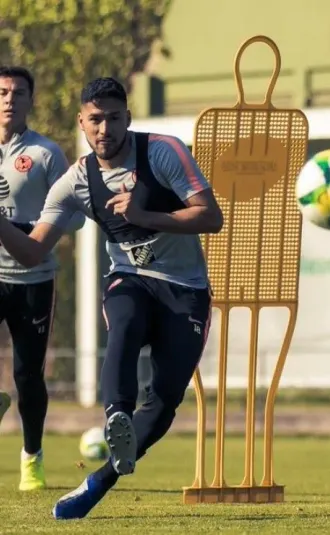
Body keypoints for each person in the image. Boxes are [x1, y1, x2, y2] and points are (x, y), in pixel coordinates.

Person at [0, 76, 223, 519]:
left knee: (163, 404)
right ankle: (116, 415)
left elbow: (211, 216)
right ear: (82, 122)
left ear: (128, 118)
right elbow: (30, 251)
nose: (106, 129)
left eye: (115, 118)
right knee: (124, 320)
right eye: (96, 120)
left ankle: (99, 480)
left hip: (187, 290)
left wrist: (145, 215)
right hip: (131, 277)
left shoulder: (163, 150)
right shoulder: (75, 181)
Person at [0, 65, 86, 491]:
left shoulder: (46, 153)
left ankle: (31, 457)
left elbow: (74, 218)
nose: (9, 99)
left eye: (17, 92)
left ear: (31, 100)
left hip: (33, 279)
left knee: (27, 376)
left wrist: (31, 227)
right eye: (2, 91)